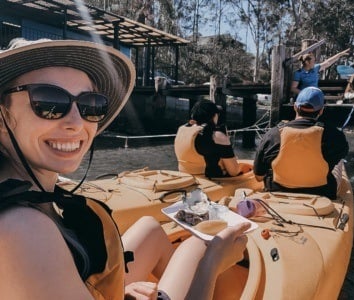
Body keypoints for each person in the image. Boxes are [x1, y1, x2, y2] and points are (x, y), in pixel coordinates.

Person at [0, 38, 250, 300]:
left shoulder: (30, 195)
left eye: (90, 104)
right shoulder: (23, 230)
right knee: (198, 249)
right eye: (48, 102)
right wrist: (212, 265)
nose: (76, 122)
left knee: (151, 228)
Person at [253, 87, 349, 199]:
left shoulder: (272, 134)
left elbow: (259, 177)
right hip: (322, 194)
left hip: (276, 190)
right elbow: (340, 155)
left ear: (295, 107)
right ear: (321, 110)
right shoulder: (335, 135)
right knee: (339, 163)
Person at [174, 99, 251, 178]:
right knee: (248, 168)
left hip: (185, 175)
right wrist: (242, 166)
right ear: (214, 116)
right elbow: (233, 171)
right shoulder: (217, 136)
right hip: (209, 180)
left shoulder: (181, 129)